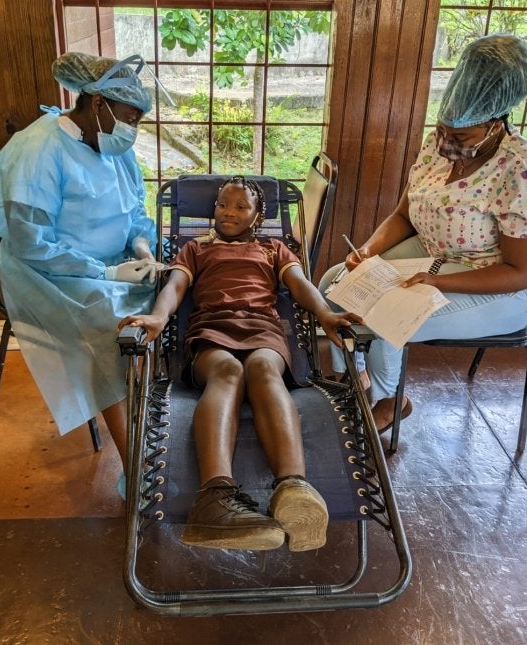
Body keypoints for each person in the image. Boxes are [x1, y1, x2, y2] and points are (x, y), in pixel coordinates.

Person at [320, 34, 527, 432]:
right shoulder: (439, 143)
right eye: (443, 129)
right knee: (334, 283)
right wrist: (368, 250)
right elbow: (405, 213)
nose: (447, 144)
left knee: (391, 315)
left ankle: (387, 400)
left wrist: (431, 281)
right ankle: (356, 379)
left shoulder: (526, 173)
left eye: (461, 137)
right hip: (436, 251)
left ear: (495, 122)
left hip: (502, 285)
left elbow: (521, 272)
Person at [118, 176, 360, 552]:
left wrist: (327, 316)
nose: (228, 212)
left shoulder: (274, 248)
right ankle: (214, 496)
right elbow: (175, 288)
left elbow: (299, 286)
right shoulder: (195, 248)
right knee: (228, 371)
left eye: (240, 207)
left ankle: (293, 488)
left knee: (264, 368)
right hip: (210, 331)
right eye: (222, 205)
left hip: (263, 330)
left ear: (258, 215)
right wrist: (158, 318)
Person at [0, 52, 163, 495]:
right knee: (112, 331)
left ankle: (154, 419)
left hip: (110, 264)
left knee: (170, 300)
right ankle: (136, 463)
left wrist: (142, 246)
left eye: (138, 120)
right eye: (129, 117)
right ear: (95, 101)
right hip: (48, 272)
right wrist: (104, 272)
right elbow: (31, 243)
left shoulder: (110, 145)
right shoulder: (39, 149)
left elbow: (134, 210)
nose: (133, 129)